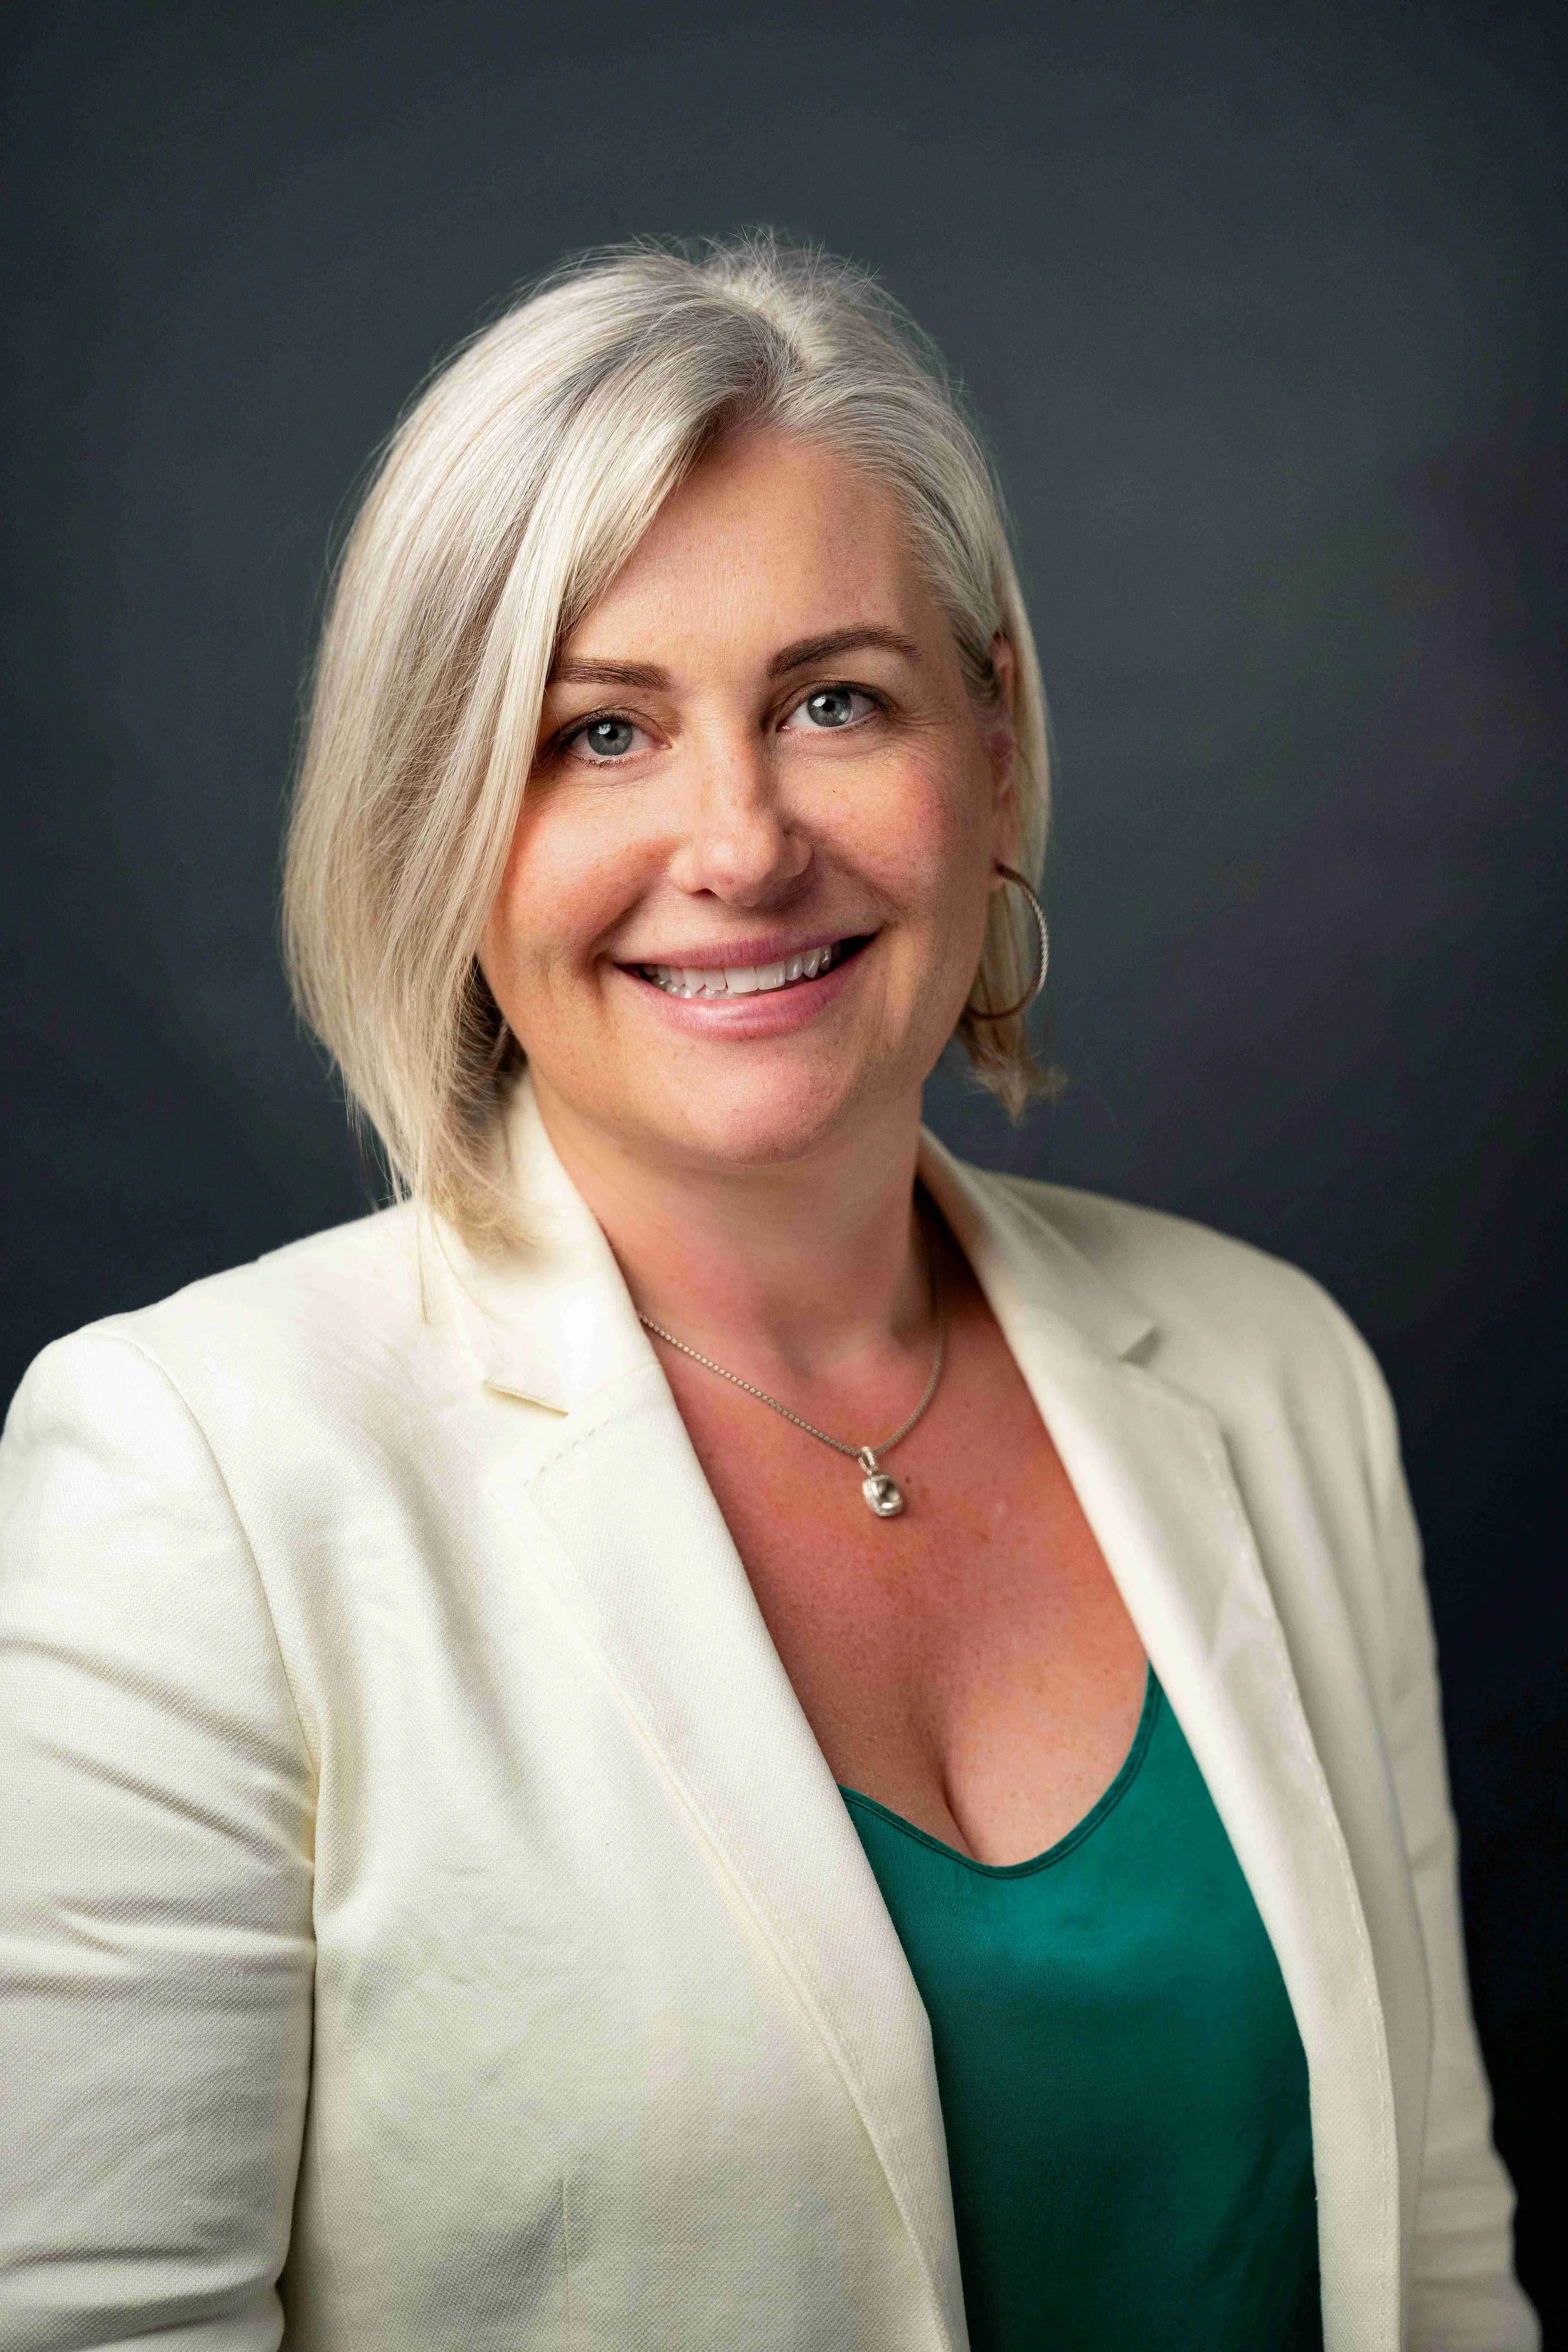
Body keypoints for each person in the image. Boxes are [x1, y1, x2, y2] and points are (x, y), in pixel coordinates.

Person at [0, 235, 1535, 2352]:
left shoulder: (1276, 1371)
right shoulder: (193, 1479)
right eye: (597, 732)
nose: (735, 843)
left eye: (833, 702)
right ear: (437, 820)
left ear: (987, 741)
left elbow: (1435, 2265)